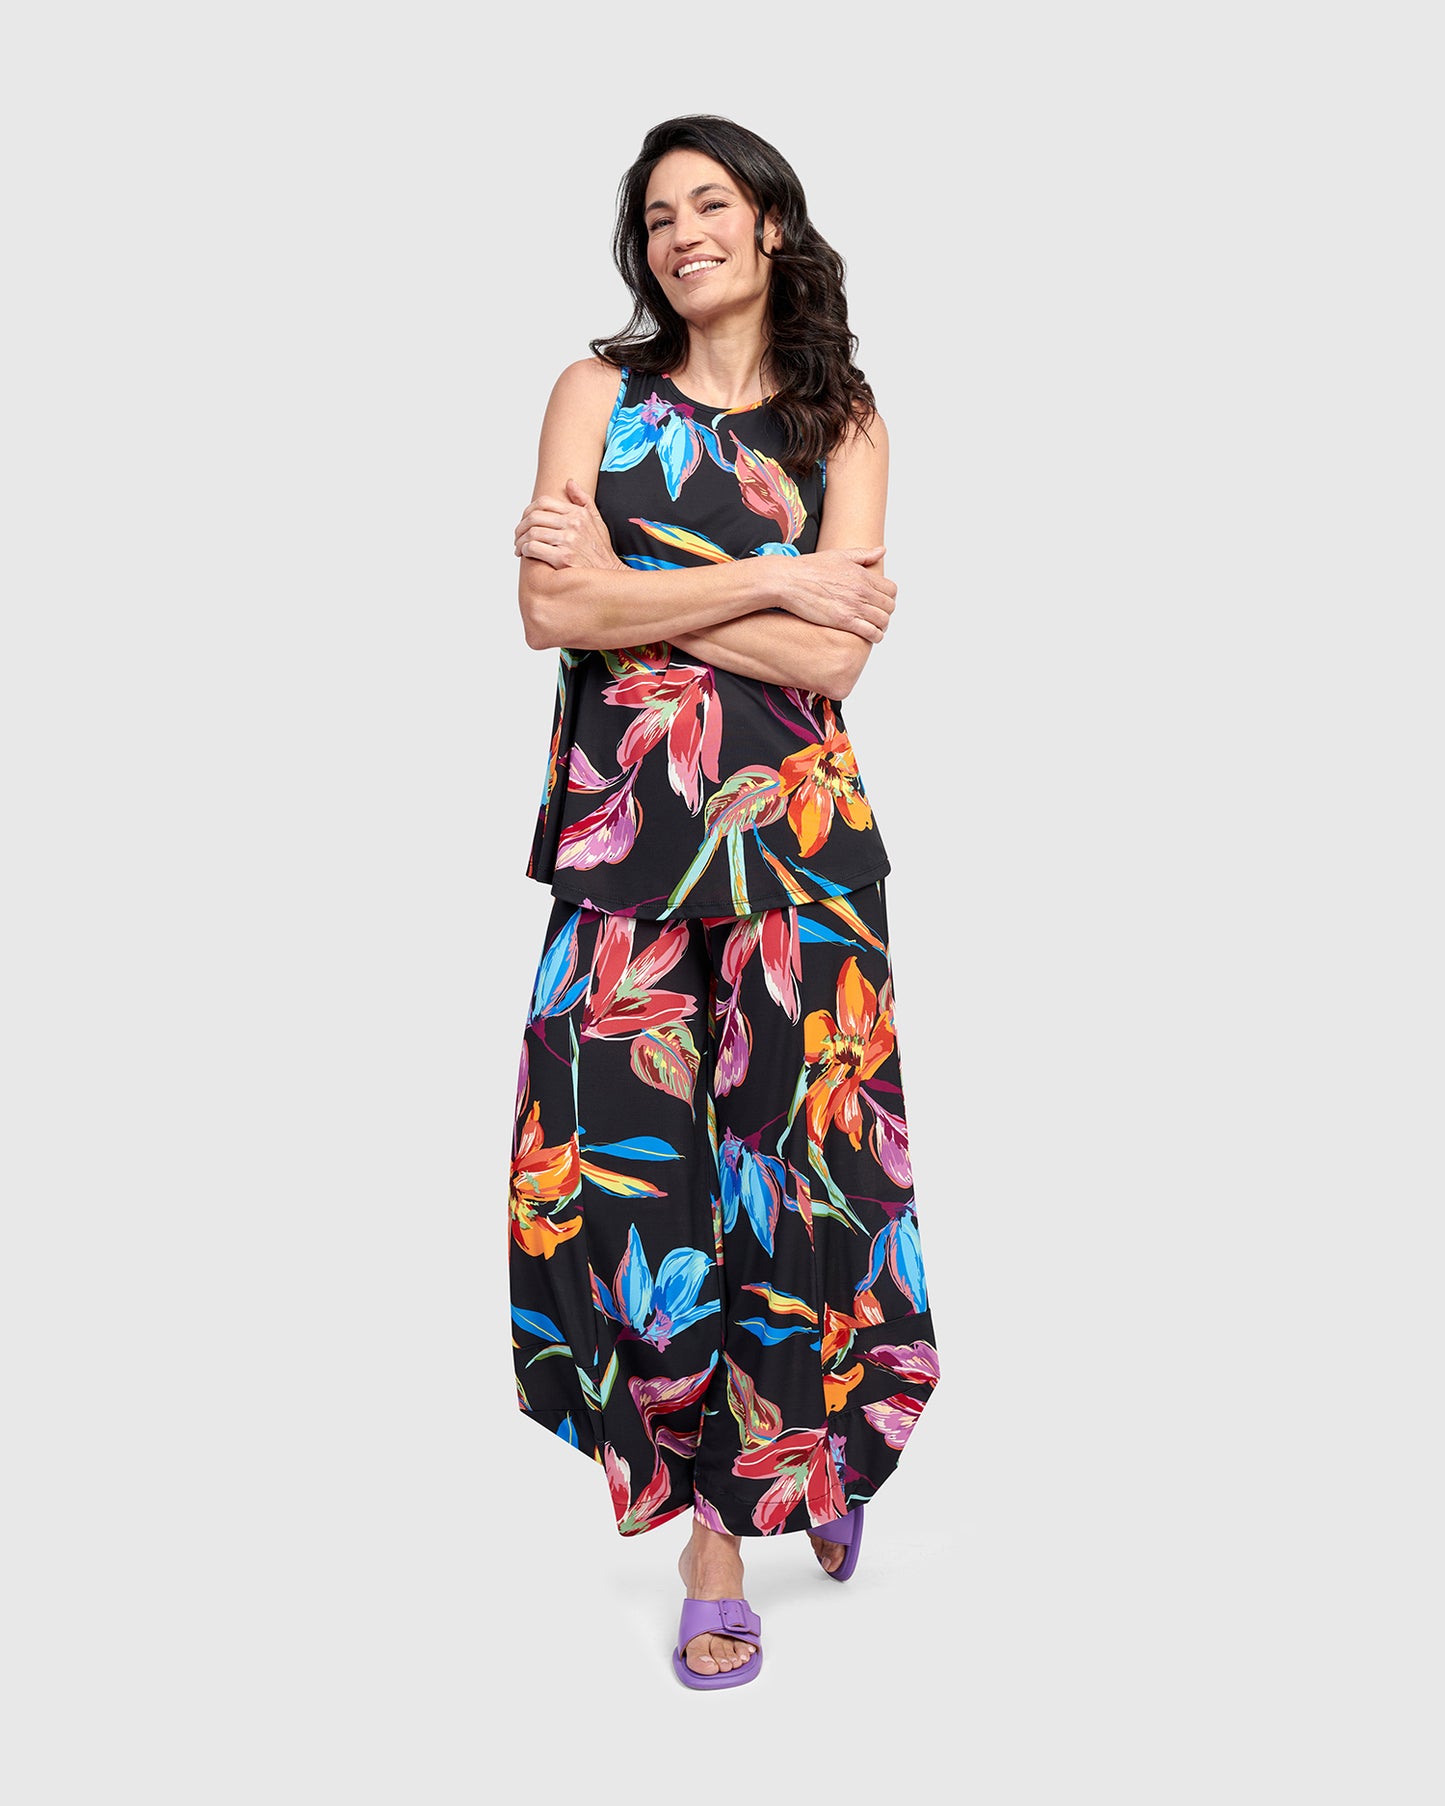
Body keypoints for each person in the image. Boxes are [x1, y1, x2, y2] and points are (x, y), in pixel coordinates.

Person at [508, 115, 940, 1689]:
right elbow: (546, 607)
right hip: (624, 844)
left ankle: (738, 1523)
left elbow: (834, 660)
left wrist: (632, 586)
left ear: (769, 224)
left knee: (795, 1186)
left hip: (799, 855)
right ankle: (742, 1470)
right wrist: (773, 573)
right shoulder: (595, 395)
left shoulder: (844, 418)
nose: (680, 230)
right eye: (655, 214)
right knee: (620, 1194)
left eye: (709, 202)